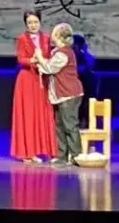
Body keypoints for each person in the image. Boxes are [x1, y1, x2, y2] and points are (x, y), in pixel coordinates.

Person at [34, 23, 85, 166]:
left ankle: (76, 156)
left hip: (69, 94)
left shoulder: (64, 53)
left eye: (54, 33)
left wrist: (39, 57)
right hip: (61, 95)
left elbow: (50, 68)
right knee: (60, 126)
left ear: (59, 36)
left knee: (70, 126)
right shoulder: (58, 52)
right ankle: (61, 156)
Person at [10, 10, 57, 162]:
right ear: (26, 24)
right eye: (29, 22)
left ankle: (47, 150)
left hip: (42, 79)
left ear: (40, 22)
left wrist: (45, 61)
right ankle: (28, 153)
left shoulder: (46, 38)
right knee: (28, 115)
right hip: (27, 80)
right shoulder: (22, 38)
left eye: (35, 22)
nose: (33, 25)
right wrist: (33, 60)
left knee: (43, 113)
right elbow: (21, 59)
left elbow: (49, 56)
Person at [72, 34, 96, 125]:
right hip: (71, 85)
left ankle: (84, 121)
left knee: (85, 103)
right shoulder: (68, 55)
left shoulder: (84, 55)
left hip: (84, 84)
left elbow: (91, 64)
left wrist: (85, 51)